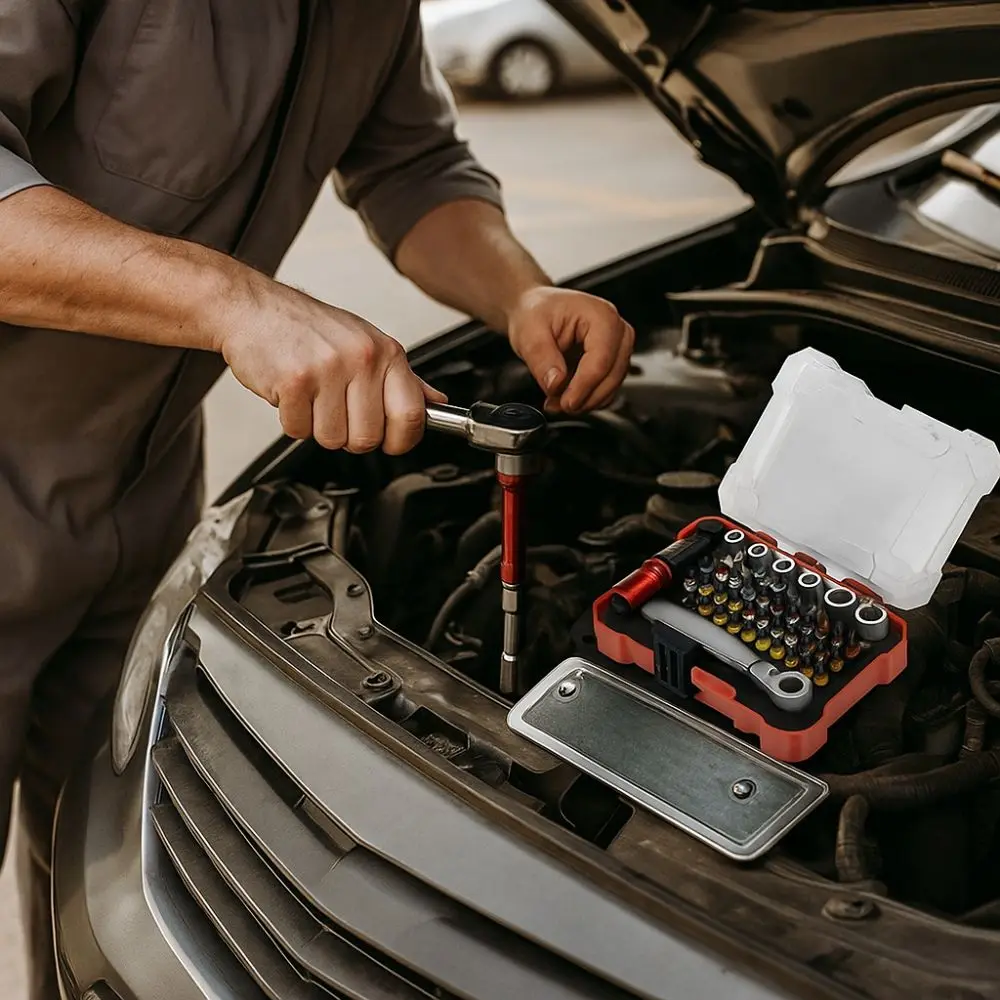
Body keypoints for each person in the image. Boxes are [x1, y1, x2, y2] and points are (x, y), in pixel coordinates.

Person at [0, 0, 635, 995]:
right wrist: (235, 301)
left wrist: (519, 295)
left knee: (90, 891)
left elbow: (411, 166)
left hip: (145, 501)